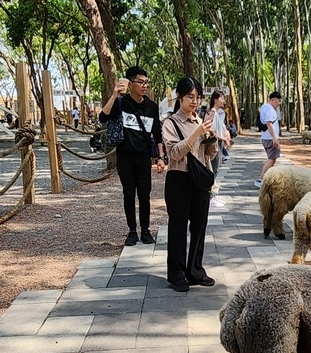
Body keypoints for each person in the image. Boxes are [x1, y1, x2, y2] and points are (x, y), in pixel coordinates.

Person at [161, 77, 219, 292]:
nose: (194, 102)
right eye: (190, 97)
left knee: (200, 225)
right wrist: (196, 133)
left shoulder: (199, 122)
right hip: (179, 178)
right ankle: (176, 273)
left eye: (197, 97)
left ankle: (195, 269)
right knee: (177, 227)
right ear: (180, 97)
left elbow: (208, 154)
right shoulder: (171, 123)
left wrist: (211, 139)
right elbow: (174, 153)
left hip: (200, 180)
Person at [98, 66, 166, 247]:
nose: (144, 86)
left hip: (144, 158)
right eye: (140, 82)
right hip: (125, 157)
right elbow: (102, 118)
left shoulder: (151, 106)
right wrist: (114, 95)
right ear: (130, 83)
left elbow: (157, 133)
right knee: (129, 194)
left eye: (146, 82)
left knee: (144, 195)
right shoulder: (121, 103)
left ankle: (145, 230)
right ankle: (132, 231)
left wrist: (160, 157)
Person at [208, 90, 233, 207]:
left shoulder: (218, 114)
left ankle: (213, 195)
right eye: (222, 98)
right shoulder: (211, 113)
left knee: (216, 170)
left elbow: (222, 128)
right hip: (214, 145)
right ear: (215, 99)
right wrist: (222, 137)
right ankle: (209, 197)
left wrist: (226, 134)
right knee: (212, 170)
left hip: (219, 144)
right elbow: (210, 130)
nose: (224, 100)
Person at [254, 91, 281, 188]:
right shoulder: (270, 110)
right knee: (271, 159)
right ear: (273, 100)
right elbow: (269, 124)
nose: (279, 104)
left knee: (272, 159)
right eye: (278, 101)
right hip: (270, 138)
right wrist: (274, 138)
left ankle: (265, 178)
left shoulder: (264, 107)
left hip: (266, 137)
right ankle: (260, 179)